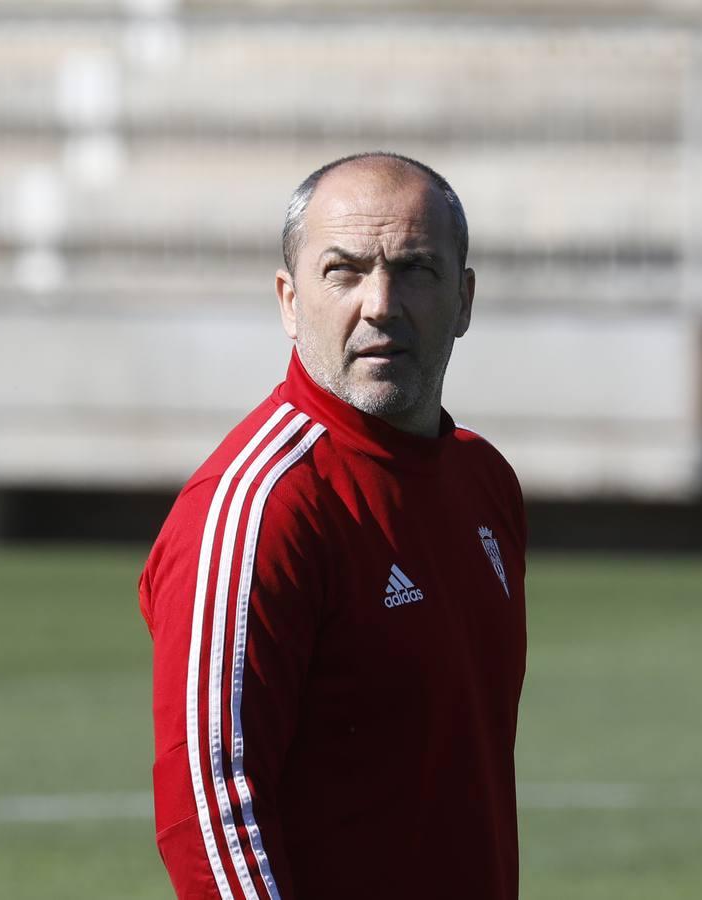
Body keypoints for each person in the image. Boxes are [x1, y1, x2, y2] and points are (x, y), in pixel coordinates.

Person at [139, 153, 528, 899]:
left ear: (465, 298)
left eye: (414, 270)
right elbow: (209, 813)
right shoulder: (260, 507)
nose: (379, 303)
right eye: (343, 272)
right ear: (289, 301)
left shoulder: (484, 482)